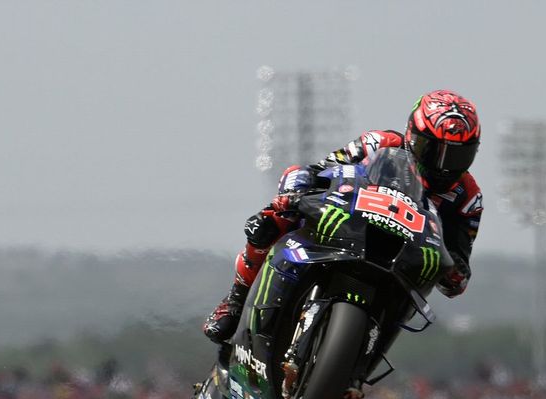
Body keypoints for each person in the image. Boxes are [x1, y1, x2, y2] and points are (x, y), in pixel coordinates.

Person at [203, 89, 484, 350]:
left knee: (411, 305)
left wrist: (453, 272)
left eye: (458, 155)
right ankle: (236, 300)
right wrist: (296, 189)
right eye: (434, 149)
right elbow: (322, 171)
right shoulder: (379, 143)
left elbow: (458, 274)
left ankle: (358, 361)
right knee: (271, 220)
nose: (443, 165)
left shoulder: (468, 198)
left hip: (399, 268)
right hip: (345, 228)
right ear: (413, 135)